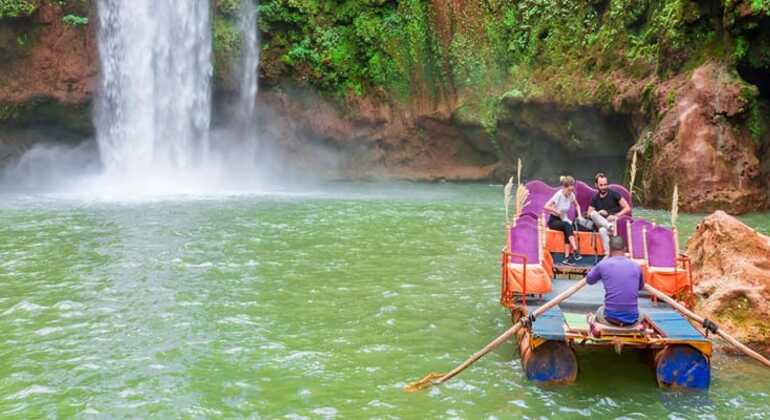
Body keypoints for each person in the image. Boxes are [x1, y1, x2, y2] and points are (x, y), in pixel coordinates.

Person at [587, 236, 644, 326]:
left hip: (610, 318)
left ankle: (594, 322)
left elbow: (589, 280)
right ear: (625, 249)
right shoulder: (636, 266)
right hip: (632, 319)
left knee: (600, 310)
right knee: (640, 313)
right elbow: (640, 287)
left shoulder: (603, 265)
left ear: (610, 250)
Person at [587, 172, 631, 256]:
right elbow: (589, 214)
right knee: (593, 214)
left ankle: (608, 255)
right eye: (601, 185)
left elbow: (627, 208)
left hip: (613, 222)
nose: (604, 187)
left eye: (605, 184)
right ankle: (609, 226)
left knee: (602, 230)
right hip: (605, 224)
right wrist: (599, 212)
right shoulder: (595, 198)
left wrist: (615, 216)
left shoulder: (614, 194)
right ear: (596, 185)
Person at [544, 175, 582, 264]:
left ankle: (567, 257)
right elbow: (546, 206)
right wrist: (555, 210)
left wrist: (579, 216)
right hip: (554, 220)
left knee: (567, 228)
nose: (570, 192)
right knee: (566, 225)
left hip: (563, 219)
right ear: (564, 187)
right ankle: (576, 250)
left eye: (572, 190)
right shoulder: (559, 195)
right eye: (569, 190)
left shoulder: (571, 195)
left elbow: (577, 205)